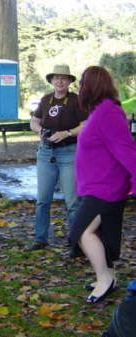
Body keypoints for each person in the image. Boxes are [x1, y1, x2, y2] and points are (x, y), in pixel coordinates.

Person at [69, 66, 136, 304]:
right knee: (98, 233)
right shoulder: (101, 111)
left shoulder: (108, 113)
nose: (79, 89)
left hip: (106, 188)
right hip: (98, 186)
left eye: (82, 84)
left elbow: (128, 151)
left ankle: (104, 280)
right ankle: (107, 277)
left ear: (91, 87)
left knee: (82, 231)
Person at [27, 64, 89, 250]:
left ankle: (78, 242)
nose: (60, 81)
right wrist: (41, 130)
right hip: (46, 153)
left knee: (72, 201)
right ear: (52, 80)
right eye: (56, 78)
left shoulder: (77, 100)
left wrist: (67, 133)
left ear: (69, 81)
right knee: (43, 199)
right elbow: (34, 121)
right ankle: (40, 238)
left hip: (68, 152)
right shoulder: (46, 99)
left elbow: (85, 124)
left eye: (64, 78)